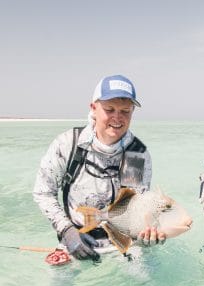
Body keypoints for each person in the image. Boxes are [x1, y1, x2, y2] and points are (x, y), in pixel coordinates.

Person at [33, 74, 165, 261]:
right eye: (109, 109)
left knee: (146, 284)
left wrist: (147, 235)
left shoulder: (136, 155)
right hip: (74, 241)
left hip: (124, 243)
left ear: (132, 112)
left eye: (125, 111)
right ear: (93, 108)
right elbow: (43, 193)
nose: (117, 118)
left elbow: (134, 209)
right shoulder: (68, 144)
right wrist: (67, 231)